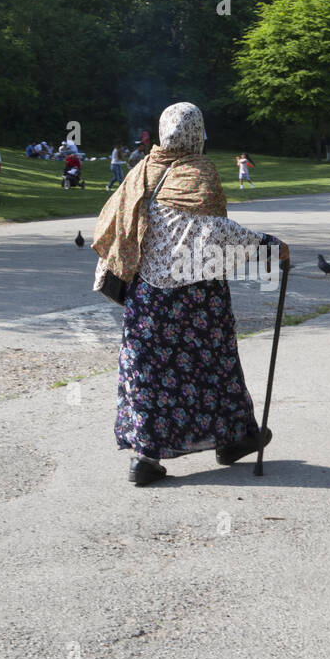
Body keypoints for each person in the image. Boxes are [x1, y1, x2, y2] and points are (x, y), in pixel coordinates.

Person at [91, 102, 289, 487]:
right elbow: (213, 234)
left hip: (146, 297)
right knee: (215, 365)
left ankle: (145, 457)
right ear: (197, 133)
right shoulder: (199, 173)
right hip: (195, 298)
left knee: (148, 373)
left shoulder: (139, 172)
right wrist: (267, 244)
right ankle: (233, 437)